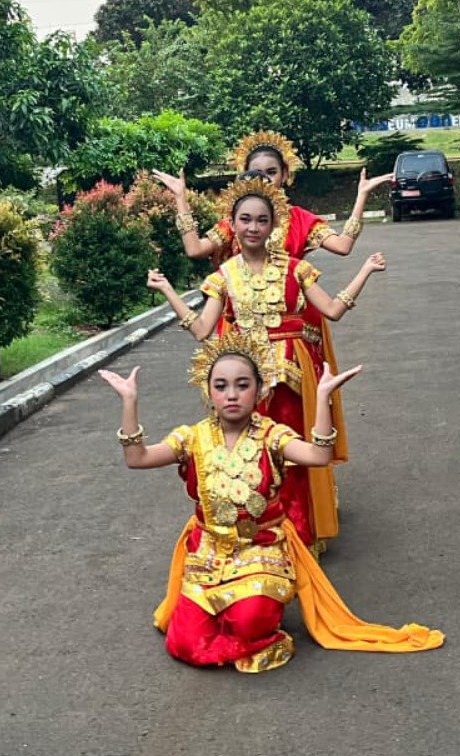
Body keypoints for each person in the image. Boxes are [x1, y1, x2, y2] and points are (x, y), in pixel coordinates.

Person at [98, 328, 442, 671]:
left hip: (261, 550)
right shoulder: (192, 437)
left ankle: (263, 633)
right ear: (208, 391)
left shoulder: (272, 435)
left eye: (242, 385)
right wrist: (129, 402)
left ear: (260, 389)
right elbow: (138, 458)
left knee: (249, 620)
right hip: (209, 554)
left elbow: (318, 456)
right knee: (184, 644)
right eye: (221, 386)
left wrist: (322, 397)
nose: (232, 395)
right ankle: (230, 628)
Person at [148, 175, 385, 553]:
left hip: (293, 377)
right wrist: (168, 292)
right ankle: (252, 538)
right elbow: (203, 330)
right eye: (245, 220)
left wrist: (365, 271)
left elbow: (333, 310)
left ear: (274, 224)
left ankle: (301, 538)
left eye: (261, 220)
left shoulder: (296, 269)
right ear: (233, 223)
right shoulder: (223, 276)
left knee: (295, 455)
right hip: (246, 381)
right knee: (248, 455)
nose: (253, 227)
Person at [152, 130, 391, 268]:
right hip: (242, 321)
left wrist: (361, 196)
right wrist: (180, 198)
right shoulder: (237, 221)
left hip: (290, 321)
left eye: (271, 172)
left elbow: (342, 246)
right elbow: (195, 250)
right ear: (244, 175)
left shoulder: (300, 220)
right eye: (256, 172)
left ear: (285, 174)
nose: (263, 179)